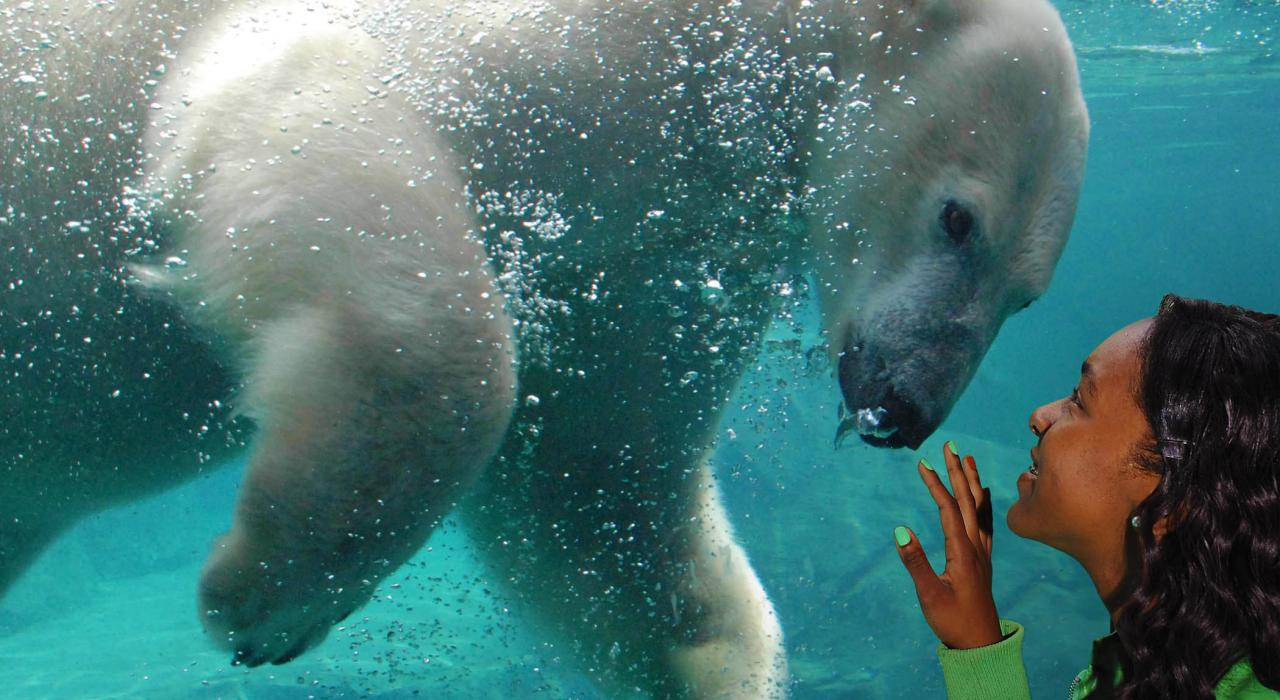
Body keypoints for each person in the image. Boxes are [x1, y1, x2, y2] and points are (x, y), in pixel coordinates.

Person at [892, 294, 1280, 699]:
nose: (1040, 416)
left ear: (1172, 502)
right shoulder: (1163, 666)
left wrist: (980, 657)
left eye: (1079, 401)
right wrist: (978, 644)